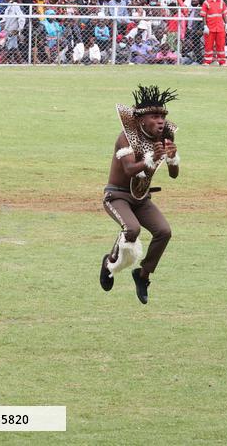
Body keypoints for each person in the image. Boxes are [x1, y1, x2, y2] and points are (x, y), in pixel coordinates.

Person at [99, 86, 180, 304]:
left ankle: (143, 275)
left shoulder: (165, 137)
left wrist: (172, 158)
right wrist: (151, 158)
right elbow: (129, 170)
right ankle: (110, 263)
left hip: (141, 198)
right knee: (132, 229)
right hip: (117, 196)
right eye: (154, 117)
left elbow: (174, 175)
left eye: (162, 117)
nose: (160, 121)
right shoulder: (126, 138)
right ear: (142, 120)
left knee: (164, 232)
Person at [200, 0, 227, 65]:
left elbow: (224, 14)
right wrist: (205, 26)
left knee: (221, 45)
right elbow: (203, 15)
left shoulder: (222, 2)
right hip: (210, 28)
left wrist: (226, 24)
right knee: (208, 45)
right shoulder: (206, 3)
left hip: (220, 27)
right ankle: (207, 61)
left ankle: (222, 62)